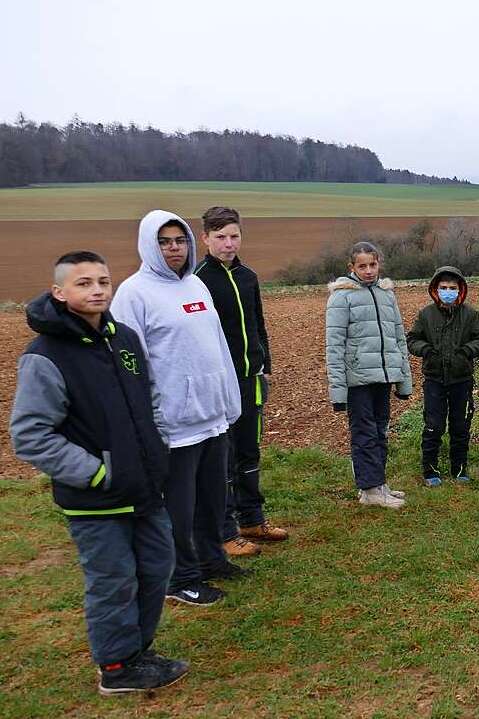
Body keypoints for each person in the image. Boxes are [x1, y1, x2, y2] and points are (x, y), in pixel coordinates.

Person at [9, 251, 189, 695]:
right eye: (84, 283)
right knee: (113, 582)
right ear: (59, 292)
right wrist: (95, 473)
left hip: (145, 487)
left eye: (103, 282)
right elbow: (30, 435)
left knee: (156, 569)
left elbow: (148, 400)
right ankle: (115, 667)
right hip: (97, 499)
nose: (97, 291)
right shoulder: (46, 356)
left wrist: (158, 447)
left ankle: (138, 652)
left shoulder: (123, 338)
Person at [111, 210, 242, 606]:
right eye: (165, 241)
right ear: (150, 244)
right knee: (178, 508)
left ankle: (211, 559)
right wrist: (147, 420)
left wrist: (229, 399)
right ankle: (179, 577)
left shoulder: (197, 286)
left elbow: (218, 347)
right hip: (174, 423)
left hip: (211, 417)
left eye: (179, 240)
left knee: (212, 498)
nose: (174, 248)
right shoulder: (134, 294)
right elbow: (129, 363)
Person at [195, 206, 288, 559]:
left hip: (251, 378)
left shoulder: (248, 276)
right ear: (205, 238)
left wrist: (265, 364)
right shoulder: (199, 280)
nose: (228, 243)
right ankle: (226, 529)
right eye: (220, 237)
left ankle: (253, 518)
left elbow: (258, 324)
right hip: (220, 382)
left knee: (250, 451)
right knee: (224, 456)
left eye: (234, 236)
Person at [326, 241, 413, 509]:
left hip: (383, 378)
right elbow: (334, 345)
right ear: (351, 267)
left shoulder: (387, 294)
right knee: (364, 434)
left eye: (372, 265)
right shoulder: (342, 297)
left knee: (380, 432)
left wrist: (403, 379)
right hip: (358, 380)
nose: (368, 271)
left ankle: (379, 484)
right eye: (362, 266)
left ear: (379, 264)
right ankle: (370, 489)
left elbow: (398, 338)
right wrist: (338, 391)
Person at [407, 266, 479, 485]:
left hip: (461, 380)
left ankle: (460, 469)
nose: (447, 291)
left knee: (460, 425)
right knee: (433, 425)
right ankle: (430, 470)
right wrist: (426, 350)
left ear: (460, 290)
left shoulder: (470, 314)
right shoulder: (426, 314)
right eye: (443, 287)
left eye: (452, 288)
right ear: (435, 289)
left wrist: (466, 352)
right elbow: (412, 339)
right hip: (434, 379)